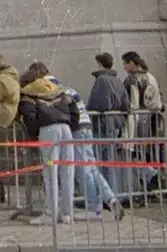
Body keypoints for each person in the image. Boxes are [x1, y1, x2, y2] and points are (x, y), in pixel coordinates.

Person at [18, 62, 78, 226]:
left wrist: (35, 134)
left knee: (50, 174)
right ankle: (67, 214)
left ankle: (50, 213)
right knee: (68, 173)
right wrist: (69, 126)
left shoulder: (28, 92)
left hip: (48, 129)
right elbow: (74, 109)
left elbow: (29, 117)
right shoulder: (56, 86)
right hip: (66, 129)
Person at [60, 80, 124, 221]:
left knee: (83, 171)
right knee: (92, 169)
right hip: (87, 127)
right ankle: (111, 199)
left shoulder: (60, 93)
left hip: (77, 130)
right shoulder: (70, 89)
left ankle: (93, 208)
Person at [121, 51, 165, 191]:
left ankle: (151, 175)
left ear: (132, 63)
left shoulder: (132, 80)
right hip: (150, 119)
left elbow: (132, 103)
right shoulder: (150, 77)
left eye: (125, 64)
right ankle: (150, 178)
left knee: (131, 154)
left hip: (135, 121)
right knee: (143, 153)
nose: (124, 67)